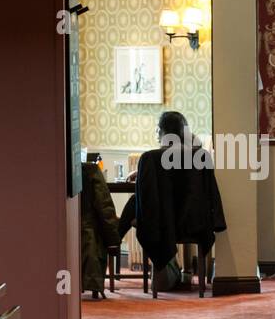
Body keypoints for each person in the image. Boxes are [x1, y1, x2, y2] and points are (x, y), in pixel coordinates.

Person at [132, 111, 226, 289]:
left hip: (161, 224)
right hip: (194, 222)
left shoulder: (149, 158)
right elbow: (209, 192)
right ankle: (182, 273)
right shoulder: (201, 156)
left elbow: (147, 198)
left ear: (160, 131)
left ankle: (112, 239)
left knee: (133, 203)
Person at [80, 160, 120, 299]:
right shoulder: (90, 171)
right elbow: (104, 208)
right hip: (88, 230)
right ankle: (116, 241)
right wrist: (113, 240)